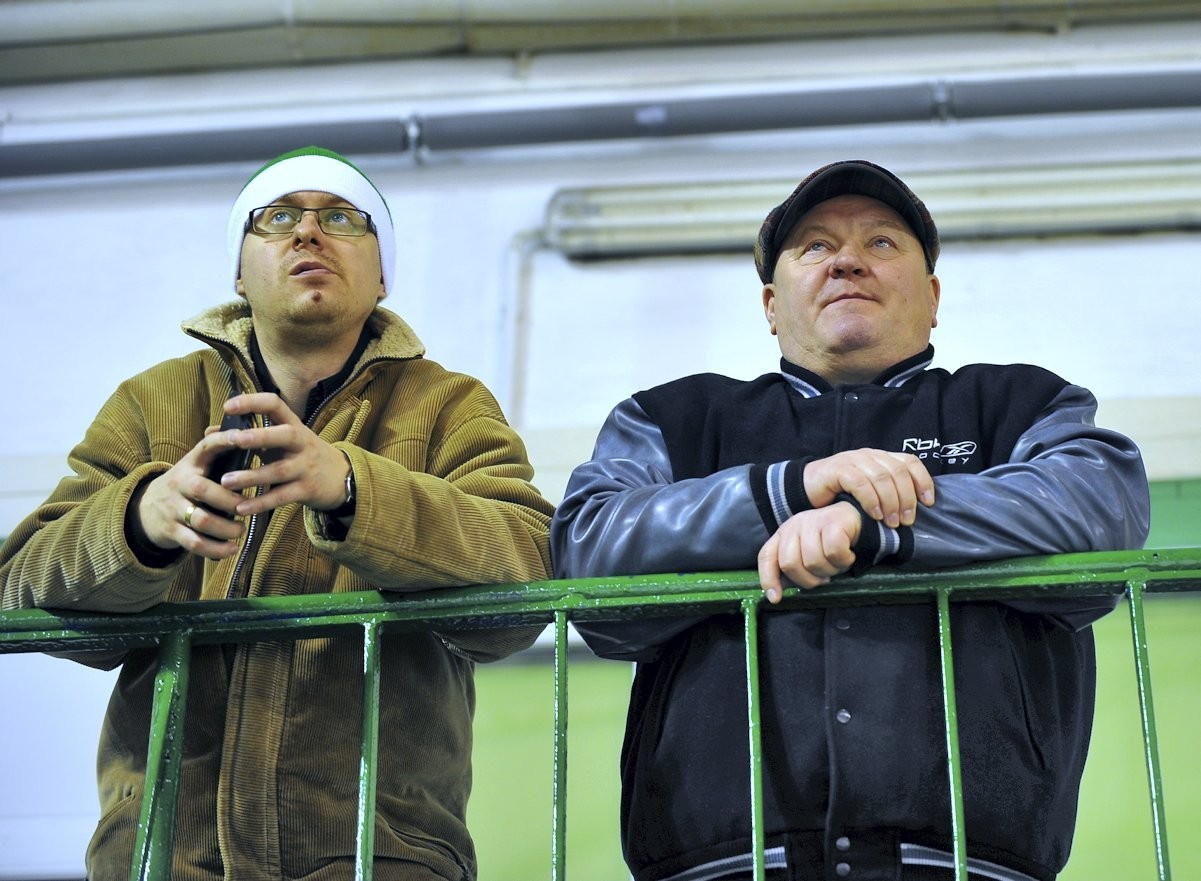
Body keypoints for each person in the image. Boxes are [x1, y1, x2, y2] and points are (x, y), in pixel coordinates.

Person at [551, 160, 1150, 881]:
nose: (847, 262)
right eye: (815, 246)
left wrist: (873, 528)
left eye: (882, 242)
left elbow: (1098, 503)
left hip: (970, 861)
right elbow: (586, 543)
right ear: (771, 305)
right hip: (718, 861)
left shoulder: (1020, 403)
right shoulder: (673, 418)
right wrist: (784, 492)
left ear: (932, 297)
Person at [0, 146, 554, 881]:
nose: (308, 233)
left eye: (343, 218)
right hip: (165, 858)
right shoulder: (150, 403)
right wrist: (138, 522)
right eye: (279, 218)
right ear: (239, 271)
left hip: (380, 856)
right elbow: (18, 585)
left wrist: (352, 487)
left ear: (382, 275)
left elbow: (529, 569)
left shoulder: (448, 405)